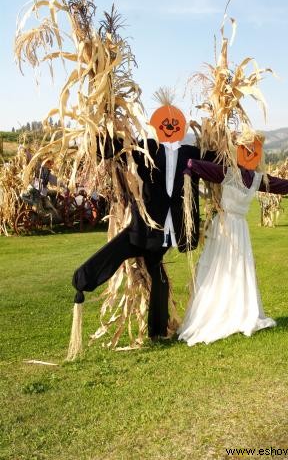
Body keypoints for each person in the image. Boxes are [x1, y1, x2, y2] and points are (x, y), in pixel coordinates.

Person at [72, 102, 216, 340]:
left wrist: (227, 139)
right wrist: (101, 133)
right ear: (158, 125)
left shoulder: (190, 154)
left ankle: (157, 332)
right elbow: (118, 149)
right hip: (143, 228)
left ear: (180, 125)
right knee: (117, 252)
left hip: (166, 231)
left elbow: (219, 160)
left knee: (159, 280)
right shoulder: (147, 148)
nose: (170, 127)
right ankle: (82, 281)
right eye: (165, 123)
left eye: (174, 123)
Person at [177, 159, 288, 346]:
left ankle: (231, 311)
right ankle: (227, 310)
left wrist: (191, 164)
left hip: (232, 226)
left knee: (230, 267)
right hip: (233, 228)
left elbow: (274, 184)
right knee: (228, 267)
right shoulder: (241, 175)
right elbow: (274, 184)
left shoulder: (243, 176)